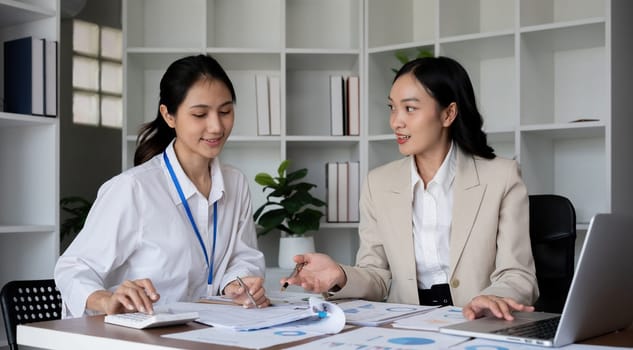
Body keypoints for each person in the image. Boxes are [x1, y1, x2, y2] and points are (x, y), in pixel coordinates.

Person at [282, 56, 538, 321]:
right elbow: (377, 277)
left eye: (410, 108)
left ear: (448, 113)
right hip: (404, 324)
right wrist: (341, 275)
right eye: (392, 108)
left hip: (476, 321)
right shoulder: (378, 183)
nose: (396, 122)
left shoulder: (501, 176)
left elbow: (517, 273)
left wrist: (494, 297)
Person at [55, 54, 270, 317]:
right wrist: (106, 300)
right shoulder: (133, 189)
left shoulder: (235, 183)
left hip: (207, 332)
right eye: (200, 114)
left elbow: (242, 256)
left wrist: (238, 283)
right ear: (169, 116)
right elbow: (73, 268)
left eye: (225, 111)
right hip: (136, 337)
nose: (216, 126)